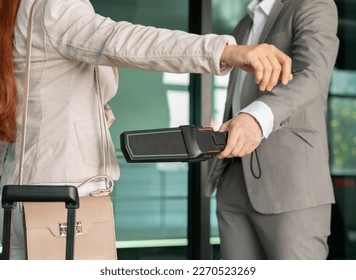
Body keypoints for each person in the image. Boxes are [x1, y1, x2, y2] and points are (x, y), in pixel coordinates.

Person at [0, 0, 292, 259]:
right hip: (64, 202)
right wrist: (226, 52)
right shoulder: (54, 7)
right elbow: (128, 42)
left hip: (24, 194)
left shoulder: (16, 11)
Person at [207, 0, 339, 259]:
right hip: (233, 177)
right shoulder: (244, 24)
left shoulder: (313, 4)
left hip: (290, 183)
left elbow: (313, 74)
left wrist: (255, 119)